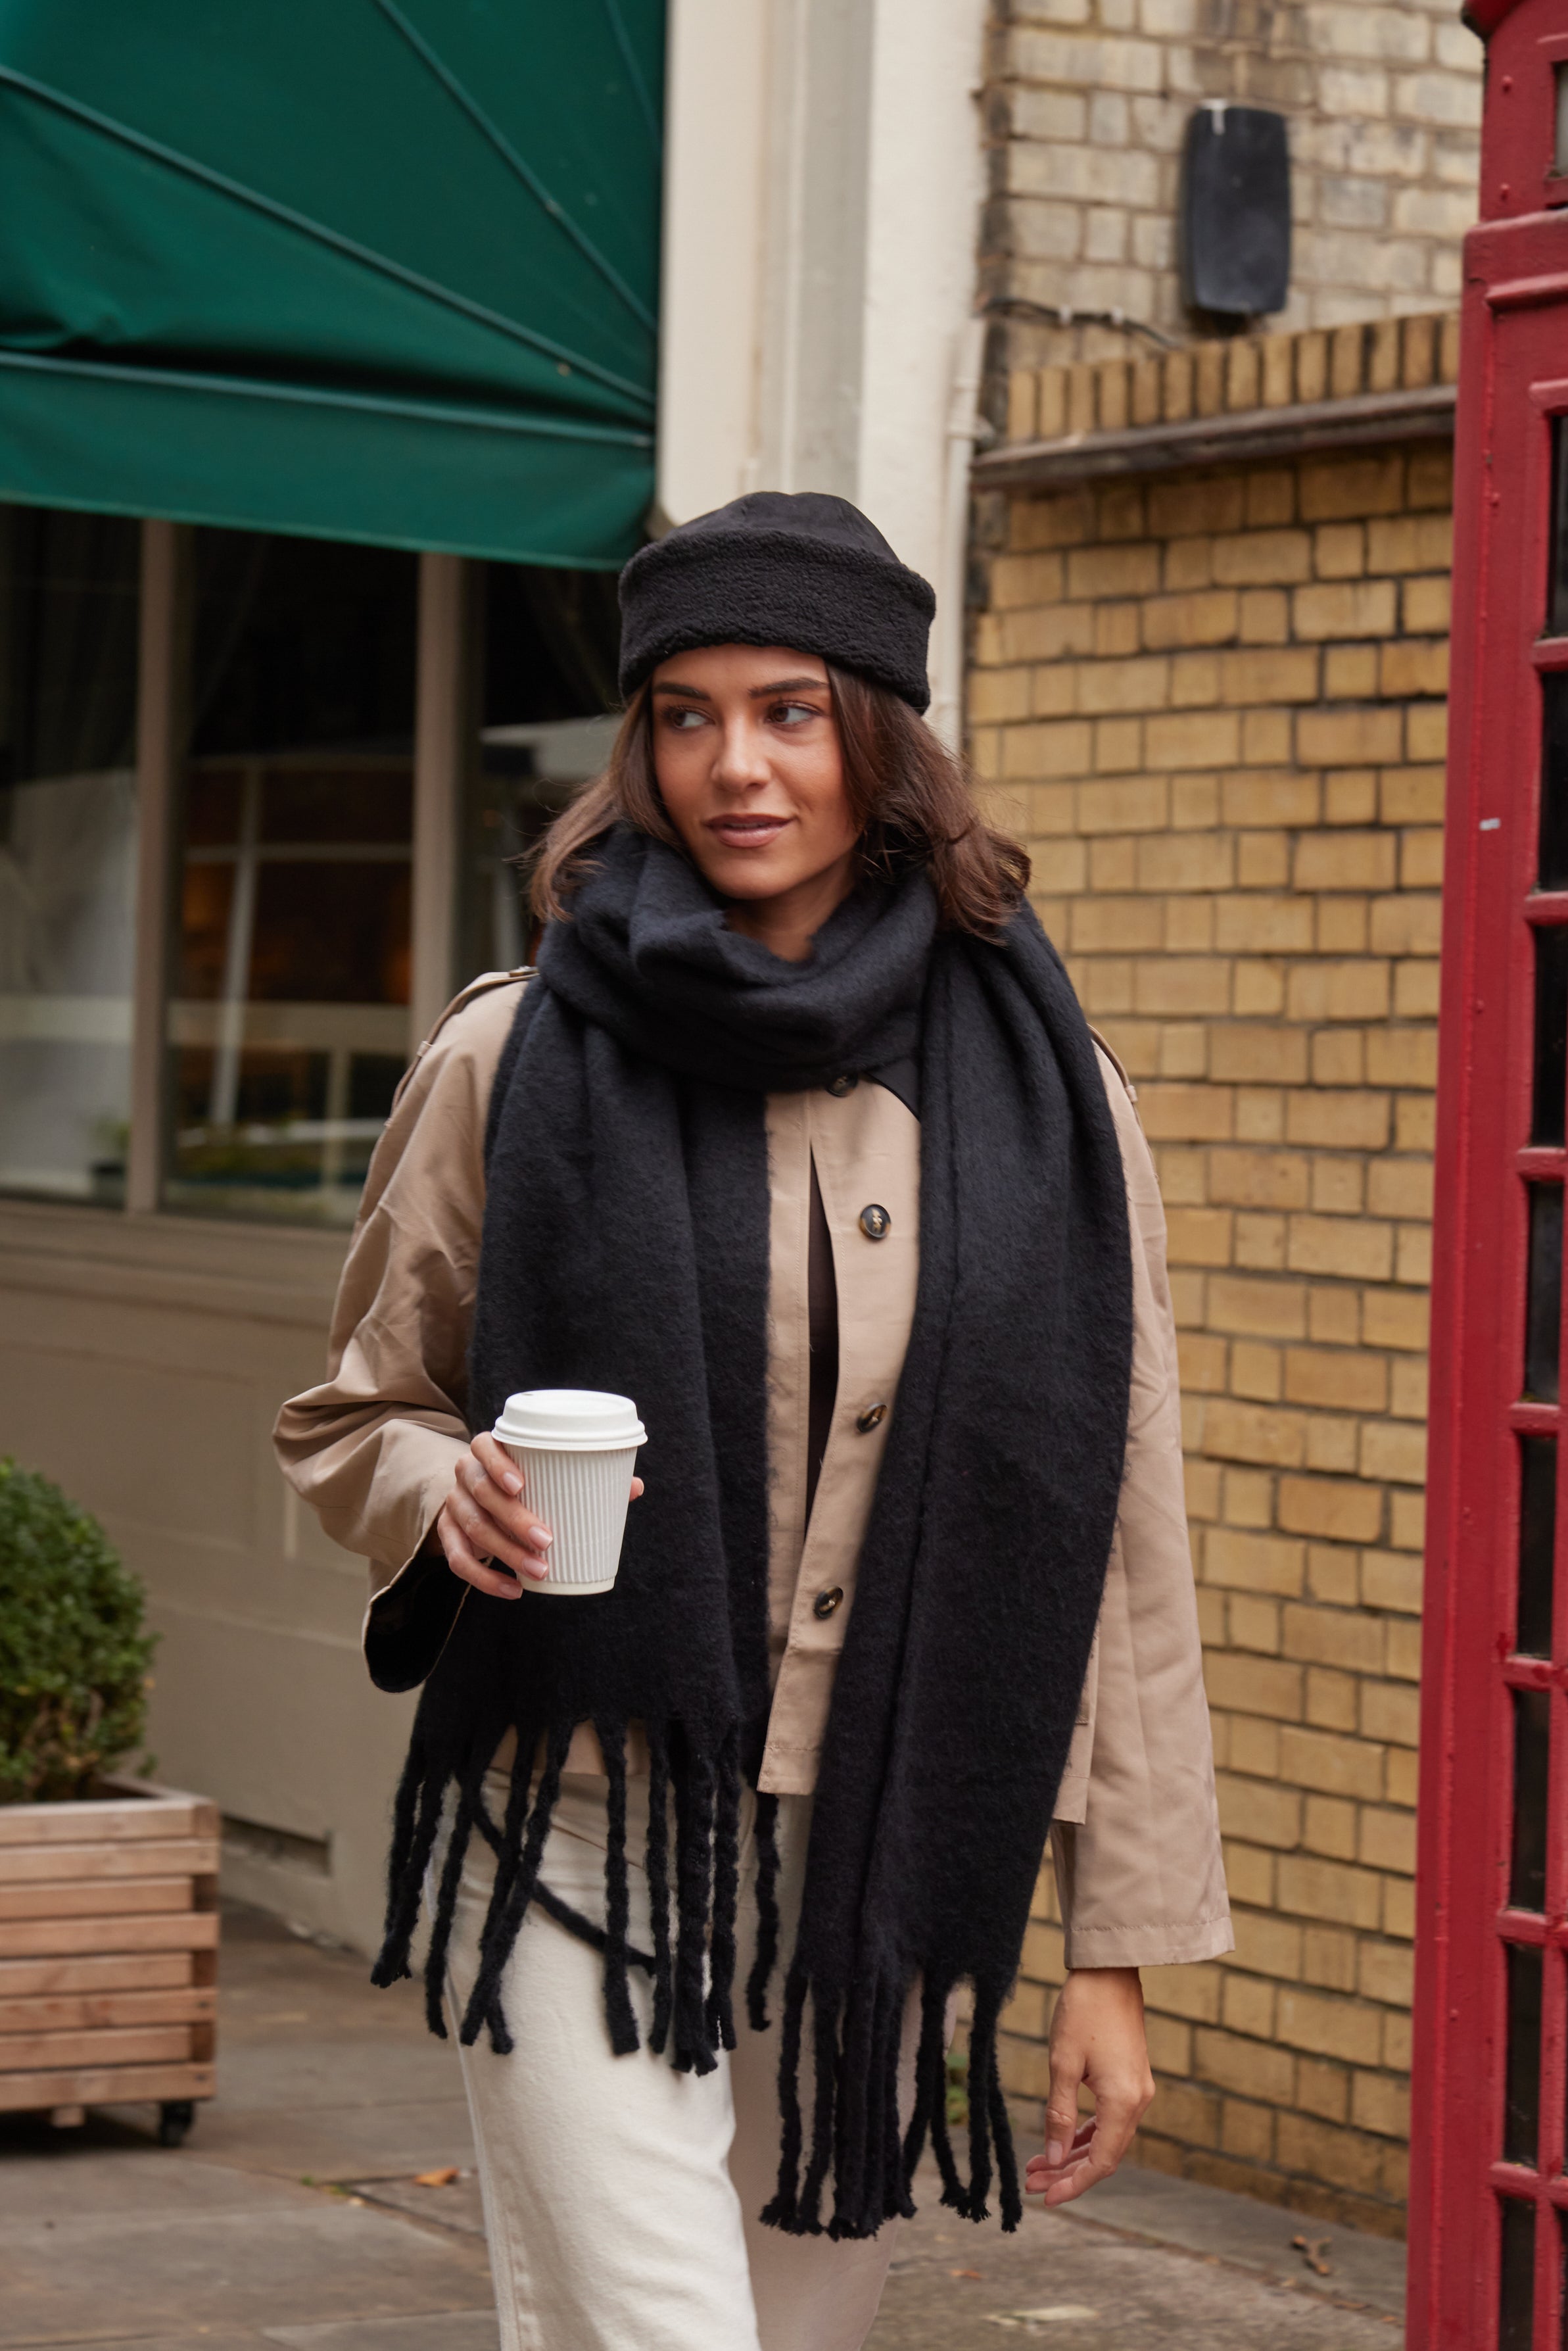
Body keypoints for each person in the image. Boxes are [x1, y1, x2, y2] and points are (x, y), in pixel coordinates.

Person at [273, 491, 1231, 2351]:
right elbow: (350, 1413)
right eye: (685, 715)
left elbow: (1123, 1541)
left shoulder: (1049, 1101)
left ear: (880, 740)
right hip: (577, 1821)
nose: (736, 766)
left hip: (872, 1860)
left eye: (788, 710)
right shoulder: (510, 1055)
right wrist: (433, 1487)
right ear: (635, 747)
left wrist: (1114, 1952)